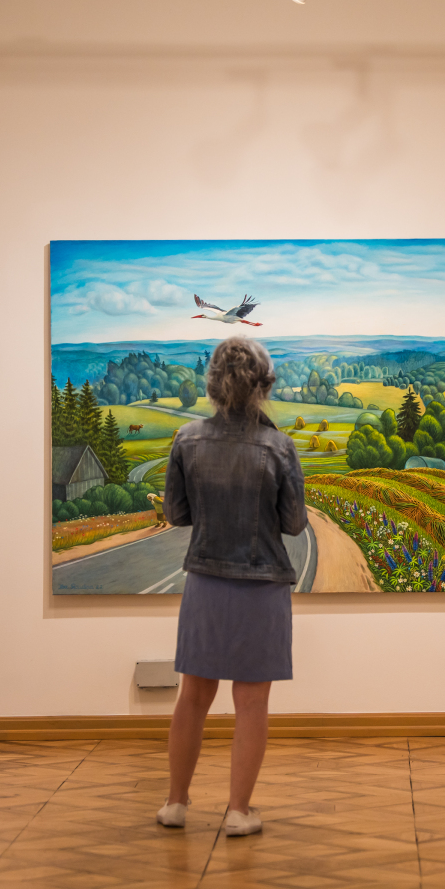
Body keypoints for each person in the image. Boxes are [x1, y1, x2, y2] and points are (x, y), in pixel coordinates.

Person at [156, 336, 306, 837]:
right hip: (262, 588)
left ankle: (176, 803)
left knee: (192, 697)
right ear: (265, 385)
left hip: (205, 582)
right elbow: (294, 525)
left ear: (212, 384)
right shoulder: (279, 447)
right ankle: (238, 811)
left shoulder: (186, 439)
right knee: (252, 703)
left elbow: (176, 514)